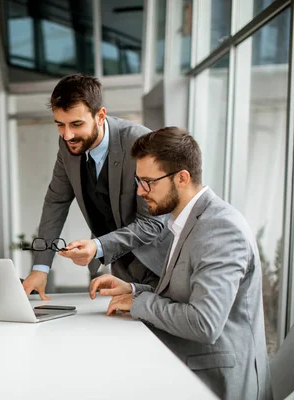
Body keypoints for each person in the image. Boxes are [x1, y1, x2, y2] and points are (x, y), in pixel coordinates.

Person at [84, 127, 270, 400]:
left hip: (219, 382)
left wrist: (139, 304)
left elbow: (204, 323)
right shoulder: (187, 220)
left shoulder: (220, 228)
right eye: (138, 181)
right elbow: (187, 293)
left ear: (182, 178)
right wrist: (134, 290)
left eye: (148, 182)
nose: (140, 191)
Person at [22, 74, 171, 300]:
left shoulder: (140, 142)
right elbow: (56, 201)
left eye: (76, 124)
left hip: (161, 266)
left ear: (100, 115)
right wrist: (40, 268)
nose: (67, 135)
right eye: (60, 125)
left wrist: (97, 246)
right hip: (121, 270)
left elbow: (152, 223)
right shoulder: (68, 145)